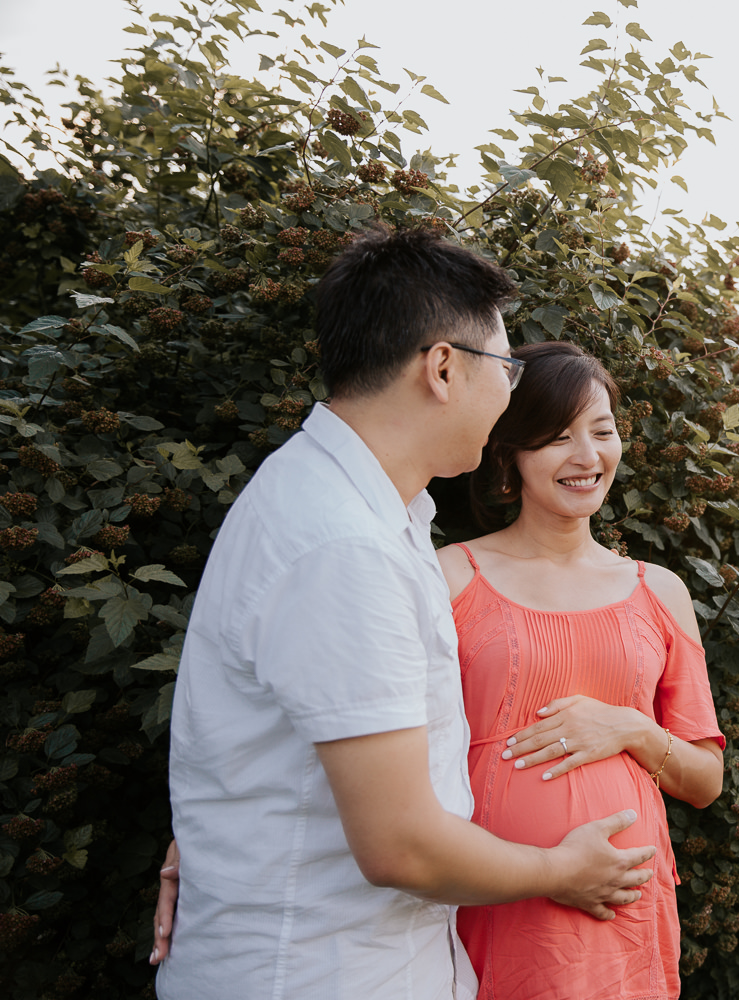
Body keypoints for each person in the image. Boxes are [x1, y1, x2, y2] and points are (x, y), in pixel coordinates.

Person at [153, 227, 656, 1000]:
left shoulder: (368, 508)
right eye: (508, 366)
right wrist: (564, 869)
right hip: (318, 976)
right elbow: (401, 848)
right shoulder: (341, 542)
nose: (513, 390)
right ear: (444, 368)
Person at [436, 341, 725, 1000]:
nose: (587, 456)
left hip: (623, 911)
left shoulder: (660, 591)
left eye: (602, 432)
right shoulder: (450, 578)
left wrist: (630, 728)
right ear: (511, 451)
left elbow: (706, 780)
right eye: (558, 437)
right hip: (494, 901)